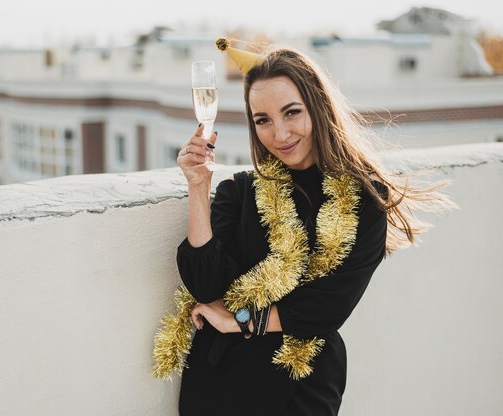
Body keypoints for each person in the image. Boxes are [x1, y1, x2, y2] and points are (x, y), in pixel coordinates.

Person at [152, 38, 453, 416]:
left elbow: (328, 307)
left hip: (301, 387)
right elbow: (206, 283)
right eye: (263, 120)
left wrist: (238, 321)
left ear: (318, 107)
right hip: (219, 383)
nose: (279, 134)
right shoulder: (239, 192)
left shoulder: (365, 198)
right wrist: (198, 188)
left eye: (291, 113)